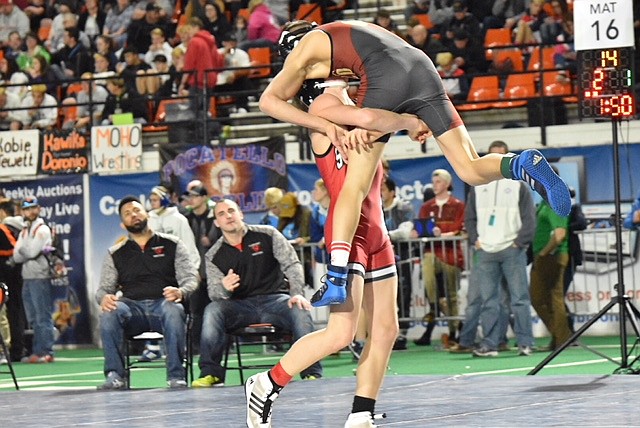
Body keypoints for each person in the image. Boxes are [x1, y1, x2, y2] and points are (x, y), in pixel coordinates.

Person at [259, 20, 571, 307]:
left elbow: (268, 101)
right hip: (423, 69)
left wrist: (332, 125)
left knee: (353, 188)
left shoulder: (305, 51)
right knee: (470, 169)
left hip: (386, 79)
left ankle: (336, 277)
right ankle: (518, 164)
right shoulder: (340, 40)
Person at [245, 78, 422, 428]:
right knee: (342, 333)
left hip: (376, 233)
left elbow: (375, 119)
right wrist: (410, 121)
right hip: (349, 232)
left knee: (386, 329)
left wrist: (402, 120)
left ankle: (361, 410)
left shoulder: (350, 119)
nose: (346, 85)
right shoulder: (324, 121)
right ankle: (267, 383)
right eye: (336, 84)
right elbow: (374, 120)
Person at [191, 198, 322, 387]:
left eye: (231, 210)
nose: (228, 216)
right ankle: (211, 373)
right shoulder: (213, 255)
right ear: (216, 223)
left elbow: (292, 264)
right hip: (240, 306)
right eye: (221, 214)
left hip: (275, 300)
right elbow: (214, 293)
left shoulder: (268, 234)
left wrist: (297, 292)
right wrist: (224, 289)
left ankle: (311, 372)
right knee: (213, 309)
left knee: (300, 308)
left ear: (241, 214)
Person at [95, 196, 198, 389]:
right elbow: (103, 289)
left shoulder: (172, 244)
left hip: (164, 304)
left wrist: (181, 291)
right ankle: (115, 375)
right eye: (127, 213)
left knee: (174, 309)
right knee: (109, 313)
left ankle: (176, 375)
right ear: (123, 224)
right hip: (132, 308)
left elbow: (191, 278)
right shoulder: (115, 252)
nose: (133, 215)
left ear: (147, 214)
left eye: (136, 210)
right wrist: (104, 297)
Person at [453, 140, 536, 357]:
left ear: (508, 157)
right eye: (492, 157)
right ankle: (490, 344)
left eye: (501, 156)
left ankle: (525, 342)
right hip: (486, 251)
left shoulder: (519, 185)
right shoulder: (477, 186)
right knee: (489, 301)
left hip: (512, 249)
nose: (496, 161)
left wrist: (519, 242)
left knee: (519, 299)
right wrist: (475, 240)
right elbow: (469, 218)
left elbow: (529, 218)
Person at [140, 184, 201, 362]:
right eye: (150, 200)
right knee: (149, 305)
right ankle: (152, 347)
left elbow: (189, 245)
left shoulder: (179, 220)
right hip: (152, 273)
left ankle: (178, 347)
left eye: (155, 199)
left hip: (175, 273)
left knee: (174, 309)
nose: (152, 203)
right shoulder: (147, 219)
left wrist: (193, 269)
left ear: (165, 199)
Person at [412, 169, 465, 348]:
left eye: (438, 182)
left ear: (447, 184)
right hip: (432, 252)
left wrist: (442, 233)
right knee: (428, 274)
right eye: (434, 182)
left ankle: (453, 331)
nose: (435, 185)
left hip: (451, 255)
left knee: (451, 295)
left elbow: (459, 227)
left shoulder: (458, 205)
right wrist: (416, 232)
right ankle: (435, 307)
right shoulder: (426, 207)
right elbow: (421, 229)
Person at [529, 167, 571, 351]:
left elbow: (560, 234)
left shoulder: (555, 200)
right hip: (549, 255)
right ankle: (560, 338)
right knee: (546, 298)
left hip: (552, 255)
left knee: (548, 298)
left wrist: (545, 252)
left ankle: (562, 339)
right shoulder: (546, 201)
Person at [12, 197, 55, 363]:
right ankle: (38, 351)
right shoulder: (24, 230)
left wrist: (23, 249)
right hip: (27, 276)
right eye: (27, 209)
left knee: (42, 316)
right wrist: (24, 250)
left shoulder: (42, 230)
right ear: (23, 211)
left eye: (33, 208)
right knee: (33, 318)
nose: (30, 212)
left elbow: (28, 252)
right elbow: (16, 256)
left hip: (39, 275)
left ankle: (47, 351)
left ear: (39, 209)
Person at [380, 176, 415, 351]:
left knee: (404, 296)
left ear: (392, 192)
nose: (380, 192)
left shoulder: (404, 207)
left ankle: (403, 334)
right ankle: (386, 335)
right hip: (383, 261)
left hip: (403, 259)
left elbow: (405, 232)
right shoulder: (376, 207)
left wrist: (384, 236)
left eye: (383, 189)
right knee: (385, 300)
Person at [0, 198, 25, 362]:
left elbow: (15, 248)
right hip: (10, 275)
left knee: (11, 312)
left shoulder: (4, 228)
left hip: (10, 275)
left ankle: (14, 349)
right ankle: (14, 349)